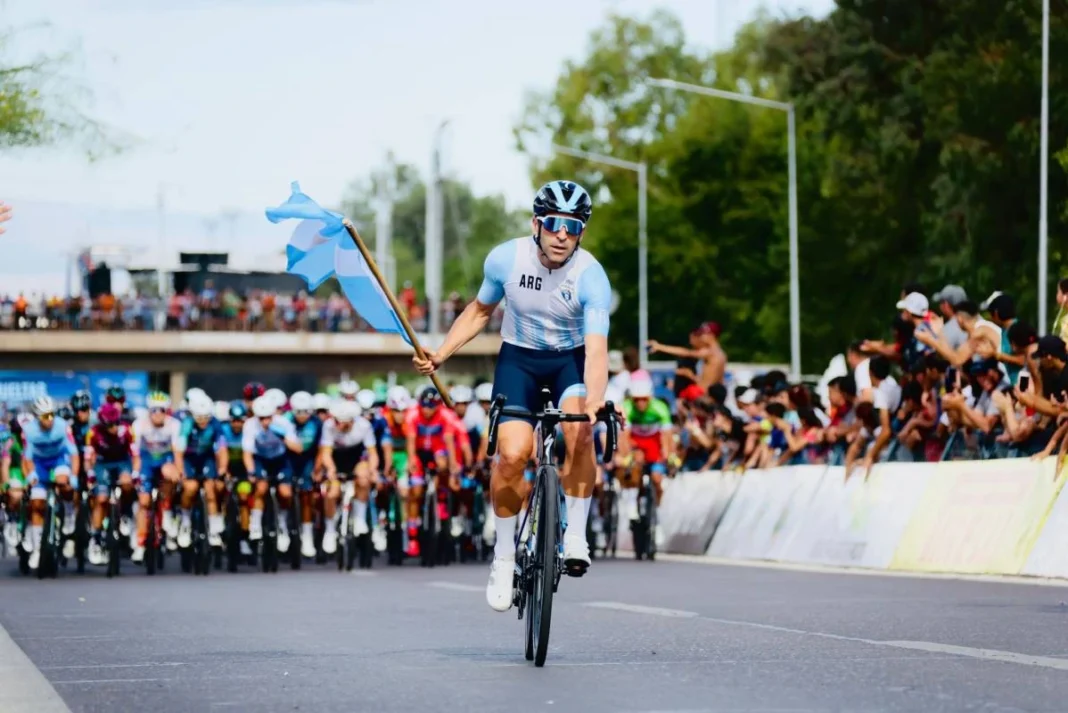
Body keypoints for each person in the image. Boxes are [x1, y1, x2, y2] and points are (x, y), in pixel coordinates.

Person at [413, 179, 615, 612]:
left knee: (581, 433)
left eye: (574, 227)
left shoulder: (591, 276)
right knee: (512, 454)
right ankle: (504, 555)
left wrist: (595, 399)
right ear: (537, 224)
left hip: (570, 362)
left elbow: (597, 349)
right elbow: (480, 311)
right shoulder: (506, 258)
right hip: (518, 361)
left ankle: (575, 535)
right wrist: (442, 354)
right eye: (555, 224)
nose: (563, 235)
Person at [22, 396, 80, 570]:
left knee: (64, 483)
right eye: (45, 416)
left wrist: (74, 475)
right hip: (39, 464)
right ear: (37, 417)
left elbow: (74, 454)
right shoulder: (29, 430)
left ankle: (69, 513)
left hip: (58, 461)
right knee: (36, 503)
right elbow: (27, 458)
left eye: (52, 415)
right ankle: (37, 548)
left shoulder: (63, 426)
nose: (50, 419)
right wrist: (30, 475)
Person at [319, 399, 378, 554]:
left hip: (356, 457)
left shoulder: (364, 426)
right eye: (337, 422)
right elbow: (325, 453)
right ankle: (330, 530)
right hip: (337, 458)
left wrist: (372, 470)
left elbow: (372, 453)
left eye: (342, 423)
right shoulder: (329, 425)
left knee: (363, 477)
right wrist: (331, 470)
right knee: (332, 492)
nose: (338, 426)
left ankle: (359, 518)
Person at [84, 402, 137, 565]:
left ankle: (126, 513)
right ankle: (96, 538)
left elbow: (135, 455)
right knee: (100, 498)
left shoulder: (127, 430)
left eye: (116, 423)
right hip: (102, 463)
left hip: (122, 461)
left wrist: (134, 473)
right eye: (110, 425)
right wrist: (90, 474)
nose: (114, 427)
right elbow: (88, 458)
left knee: (128, 483)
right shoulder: (93, 433)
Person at [132, 392, 182, 561]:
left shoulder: (174, 425)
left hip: (164, 460)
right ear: (149, 411)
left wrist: (179, 473)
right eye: (154, 410)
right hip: (146, 462)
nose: (158, 414)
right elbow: (136, 454)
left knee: (170, 473)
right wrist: (135, 474)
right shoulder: (139, 425)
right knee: (144, 502)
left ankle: (166, 511)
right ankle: (140, 543)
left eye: (162, 410)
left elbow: (177, 452)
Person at [176, 394, 228, 550]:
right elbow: (179, 452)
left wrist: (222, 469)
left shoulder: (215, 424)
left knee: (211, 489)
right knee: (190, 488)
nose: (203, 421)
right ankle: (184, 522)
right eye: (199, 418)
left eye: (206, 417)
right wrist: (181, 473)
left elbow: (222, 449)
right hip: (189, 459)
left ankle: (213, 530)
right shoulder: (186, 424)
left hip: (206, 458)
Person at [286, 391, 323, 559]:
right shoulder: (285, 420)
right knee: (285, 492)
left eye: (305, 412)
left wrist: (317, 468)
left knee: (307, 494)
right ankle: (283, 526)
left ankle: (307, 535)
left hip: (309, 459)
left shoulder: (317, 424)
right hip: (288, 460)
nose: (302, 416)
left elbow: (322, 448)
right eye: (298, 412)